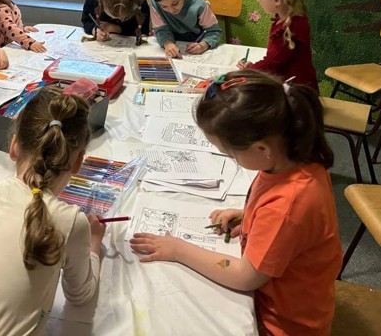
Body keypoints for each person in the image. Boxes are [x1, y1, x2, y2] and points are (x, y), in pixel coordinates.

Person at [130, 71, 341, 335]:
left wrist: (178, 250)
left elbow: (244, 276)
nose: (231, 159)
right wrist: (250, 217)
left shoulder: (287, 204)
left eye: (230, 154)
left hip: (284, 324)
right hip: (288, 300)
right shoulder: (296, 159)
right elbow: (290, 223)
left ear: (262, 149)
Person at [0, 86, 105, 335]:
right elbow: (81, 294)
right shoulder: (71, 221)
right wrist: (94, 244)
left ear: (13, 146)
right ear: (78, 161)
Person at [238, 0, 318, 90]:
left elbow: (272, 64)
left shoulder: (288, 28)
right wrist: (253, 68)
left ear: (276, 0)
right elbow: (276, 61)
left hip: (296, 92)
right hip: (296, 85)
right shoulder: (293, 18)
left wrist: (250, 70)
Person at [149, 0, 223, 58]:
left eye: (175, 3)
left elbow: (214, 31)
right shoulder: (154, 3)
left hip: (195, 45)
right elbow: (161, 29)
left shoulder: (199, 5)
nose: (171, 10)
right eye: (164, 6)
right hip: (174, 47)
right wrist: (168, 44)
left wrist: (203, 45)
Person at [81, 0, 150, 44]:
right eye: (113, 16)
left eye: (123, 18)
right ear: (103, 5)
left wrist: (116, 28)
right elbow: (86, 20)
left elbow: (144, 30)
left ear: (133, 7)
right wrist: (94, 30)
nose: (119, 20)